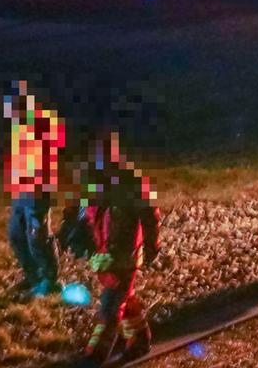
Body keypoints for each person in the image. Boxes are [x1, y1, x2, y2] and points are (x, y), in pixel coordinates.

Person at [73, 129, 160, 366]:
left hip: (126, 255)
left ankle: (96, 355)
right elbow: (83, 213)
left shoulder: (131, 182)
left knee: (110, 306)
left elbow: (149, 214)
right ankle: (140, 339)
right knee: (124, 297)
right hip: (102, 255)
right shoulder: (92, 184)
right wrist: (76, 233)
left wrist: (153, 244)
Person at [4, 79, 64, 298]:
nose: (10, 110)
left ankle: (49, 281)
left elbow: (55, 145)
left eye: (14, 104)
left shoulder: (42, 122)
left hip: (38, 190)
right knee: (16, 235)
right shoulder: (19, 124)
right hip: (21, 191)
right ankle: (33, 276)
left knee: (38, 237)